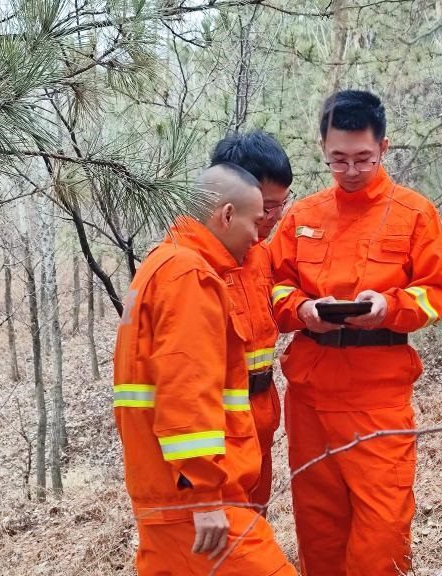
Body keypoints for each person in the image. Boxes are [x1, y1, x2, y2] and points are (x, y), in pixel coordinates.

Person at [269, 89, 442, 575]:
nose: (351, 170)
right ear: (322, 149)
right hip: (310, 394)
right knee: (319, 527)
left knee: (382, 532)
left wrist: (390, 307)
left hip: (378, 397)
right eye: (338, 160)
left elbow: (437, 292)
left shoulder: (414, 213)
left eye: (363, 159)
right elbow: (272, 287)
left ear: (384, 148)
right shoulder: (302, 216)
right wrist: (303, 309)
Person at [112, 164, 296, 575]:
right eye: (254, 221)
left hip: (166, 492)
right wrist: (205, 495)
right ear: (227, 215)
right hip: (191, 498)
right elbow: (186, 392)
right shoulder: (189, 275)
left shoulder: (161, 264)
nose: (257, 236)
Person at [210, 131, 295, 511]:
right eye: (268, 207)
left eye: (281, 205)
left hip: (260, 420)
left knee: (253, 522)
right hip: (216, 431)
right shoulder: (194, 267)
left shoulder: (262, 256)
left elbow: (278, 312)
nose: (272, 218)